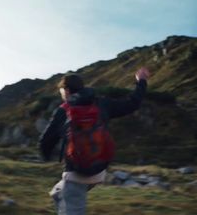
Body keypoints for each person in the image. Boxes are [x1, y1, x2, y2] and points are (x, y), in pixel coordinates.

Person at [39, 67, 150, 215]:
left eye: (61, 91)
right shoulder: (101, 103)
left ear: (66, 90)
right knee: (59, 193)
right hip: (99, 169)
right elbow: (132, 104)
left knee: (72, 205)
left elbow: (46, 142)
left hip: (76, 173)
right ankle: (63, 197)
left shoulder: (64, 110)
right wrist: (141, 81)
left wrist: (46, 157)